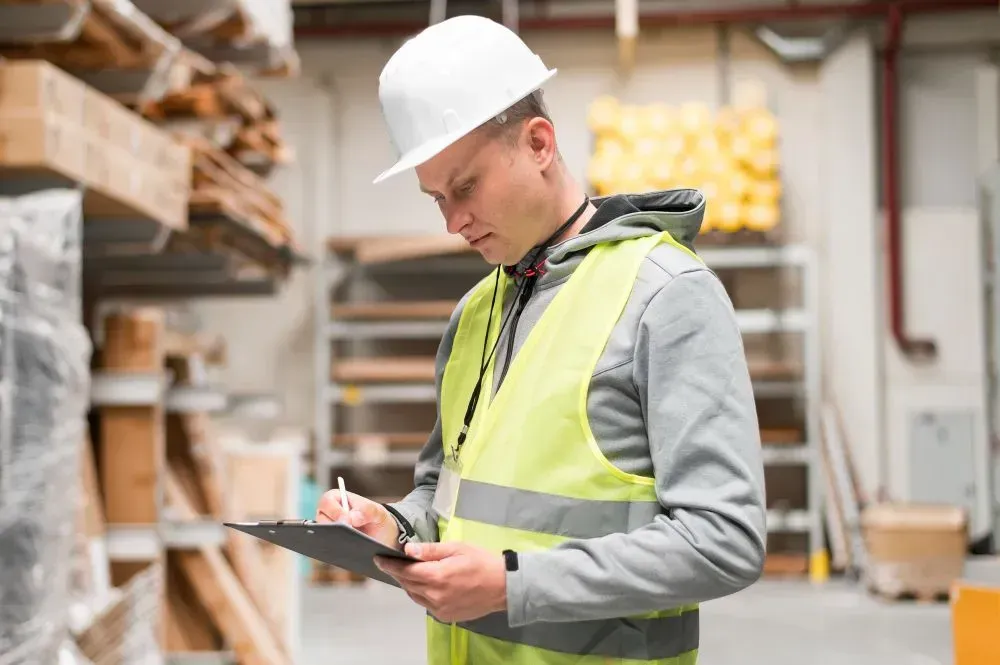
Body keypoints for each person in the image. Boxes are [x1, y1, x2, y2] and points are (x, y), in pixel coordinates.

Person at [317, 14, 767, 664]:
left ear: (539, 143)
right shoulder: (476, 311)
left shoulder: (665, 295)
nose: (452, 222)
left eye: (465, 186)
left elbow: (723, 538)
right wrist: (389, 525)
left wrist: (511, 583)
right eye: (435, 198)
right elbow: (445, 496)